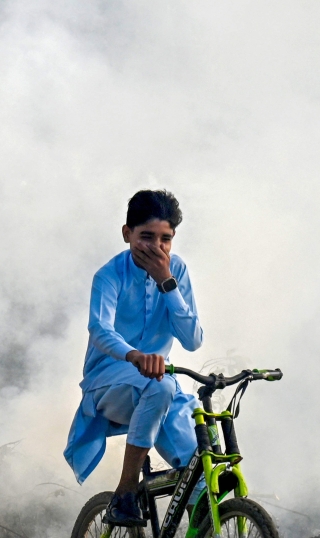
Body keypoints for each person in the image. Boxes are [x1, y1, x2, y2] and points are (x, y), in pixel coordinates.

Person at [63, 189, 204, 527]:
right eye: (147, 237)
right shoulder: (109, 275)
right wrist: (135, 355)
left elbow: (192, 340)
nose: (157, 247)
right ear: (127, 233)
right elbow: (99, 329)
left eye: (165, 239)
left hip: (160, 384)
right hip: (107, 383)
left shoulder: (176, 271)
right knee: (160, 387)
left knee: (198, 468)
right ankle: (125, 492)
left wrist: (166, 283)